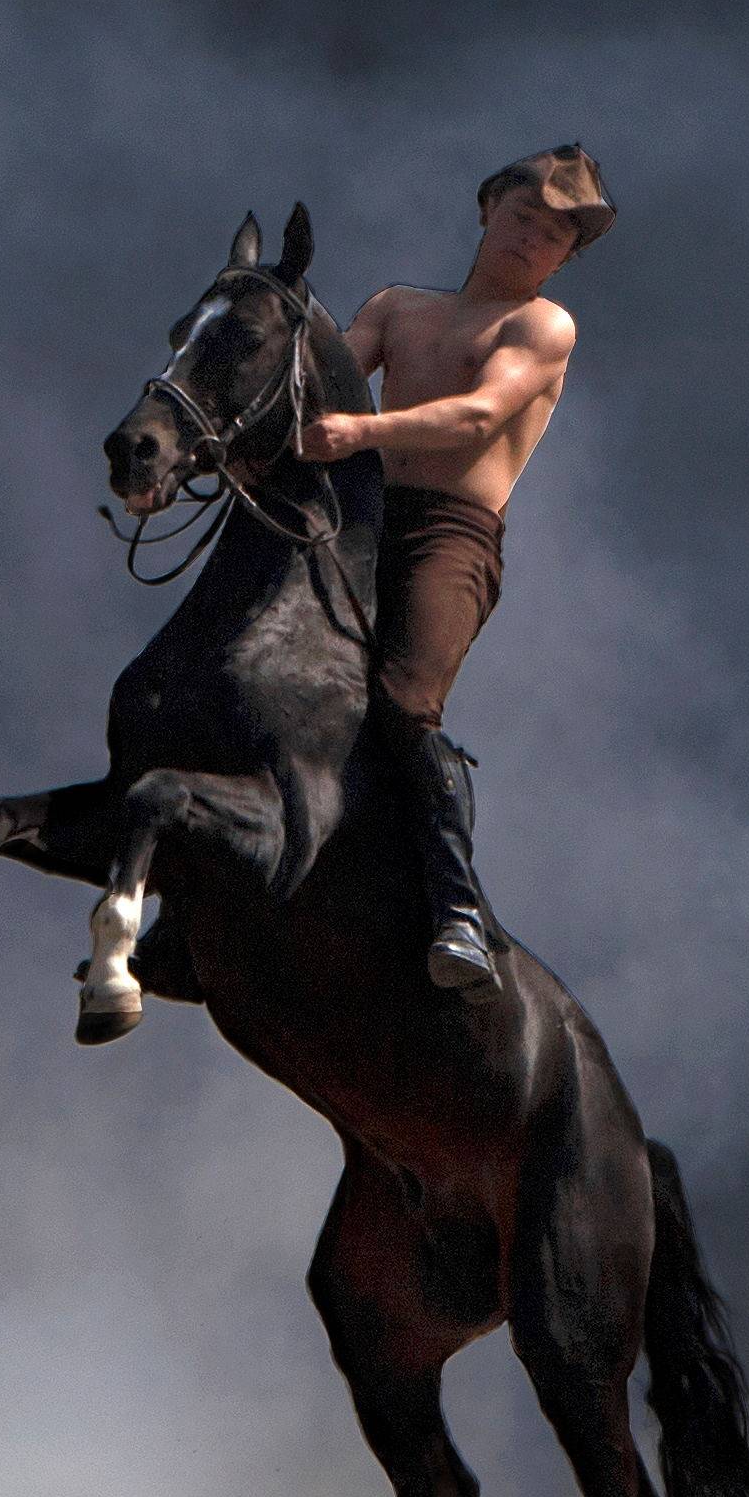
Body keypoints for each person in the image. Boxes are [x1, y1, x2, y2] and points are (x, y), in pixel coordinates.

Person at [294, 143, 611, 998]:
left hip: (450, 535)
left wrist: (359, 433)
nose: (531, 241)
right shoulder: (400, 307)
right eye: (522, 219)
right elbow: (317, 384)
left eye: (553, 238)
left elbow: (478, 416)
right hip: (357, 516)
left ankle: (456, 908)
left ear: (565, 259)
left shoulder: (540, 327)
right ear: (486, 210)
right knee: (263, 656)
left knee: (402, 699)